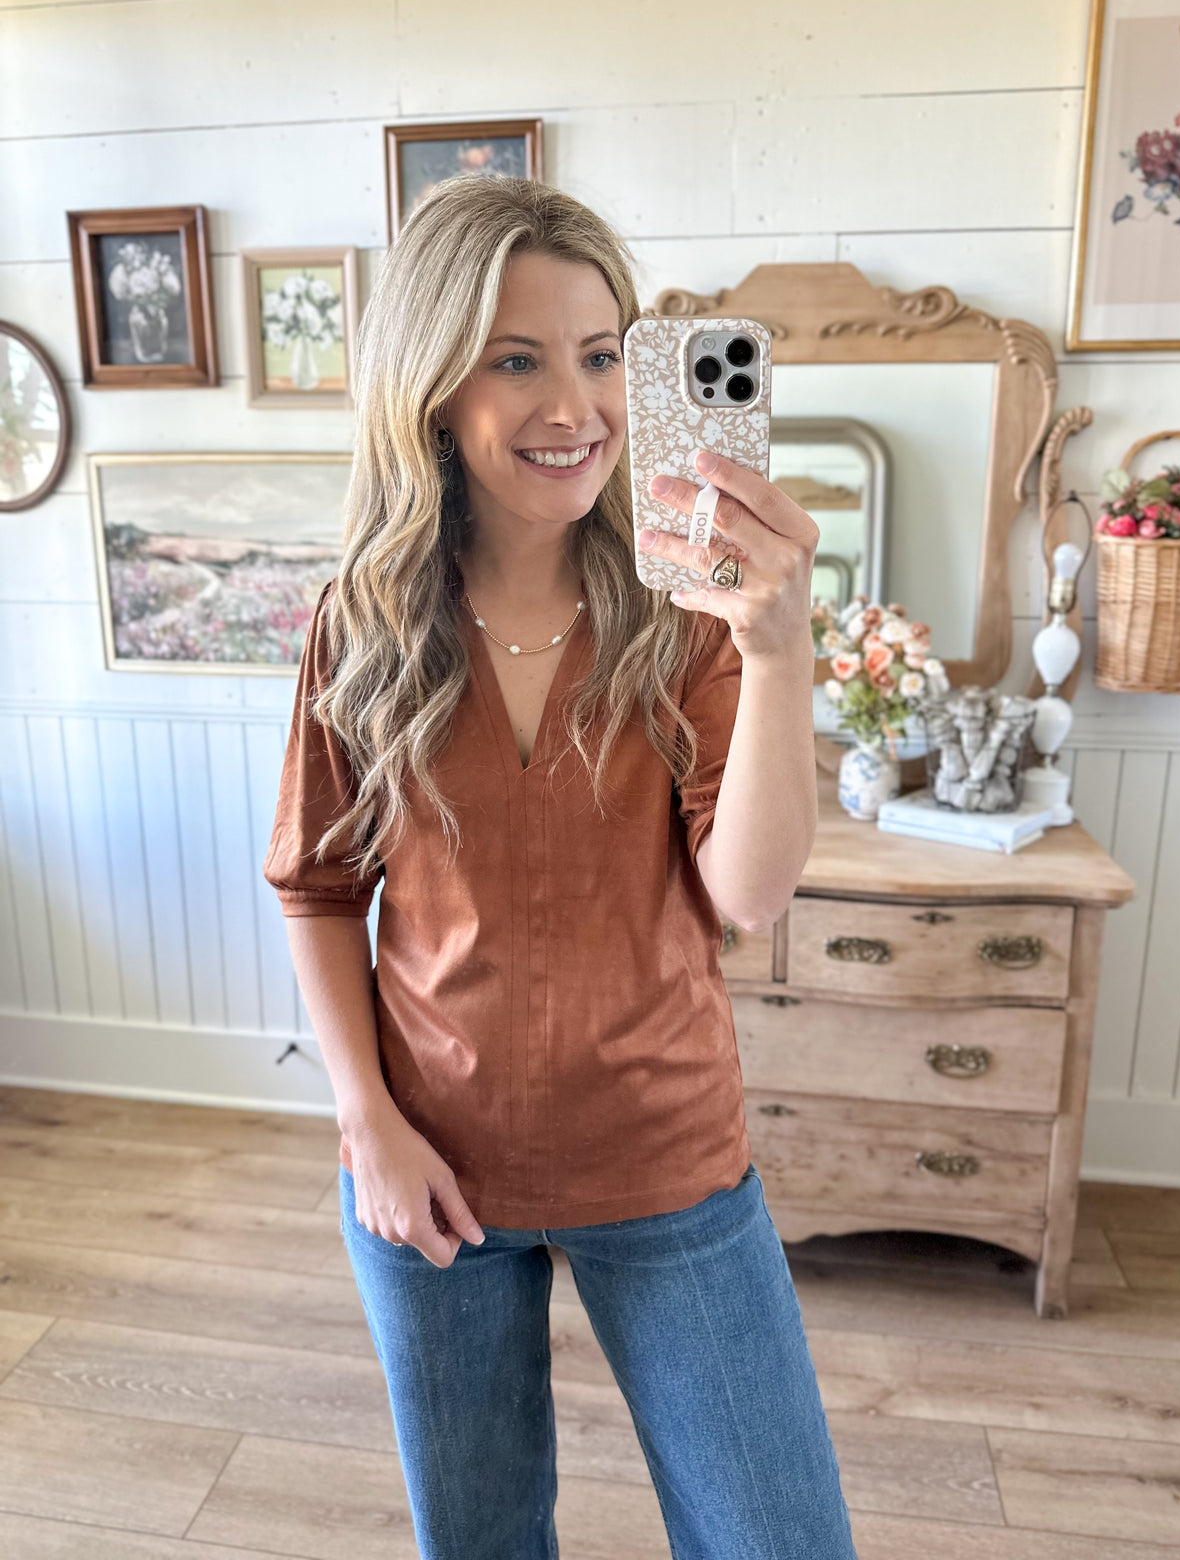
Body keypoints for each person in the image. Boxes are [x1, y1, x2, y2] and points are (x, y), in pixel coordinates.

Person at [262, 173, 857, 1560]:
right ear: (432, 385)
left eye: (602, 358)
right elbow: (318, 887)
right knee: (478, 1543)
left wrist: (778, 652)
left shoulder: (694, 608)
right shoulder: (362, 621)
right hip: (434, 1174)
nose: (572, 407)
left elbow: (750, 894)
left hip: (668, 1158)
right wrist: (369, 1128)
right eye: (515, 359)